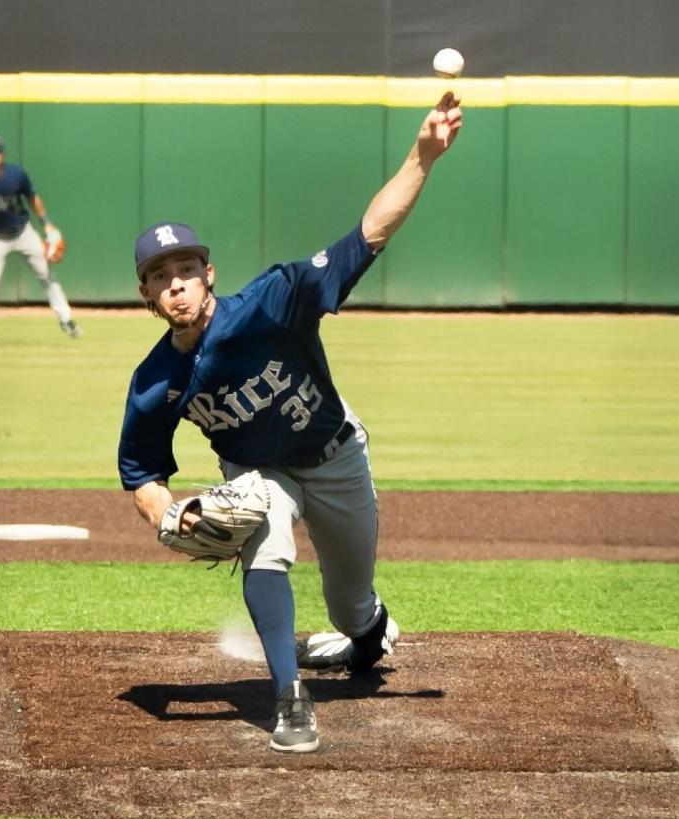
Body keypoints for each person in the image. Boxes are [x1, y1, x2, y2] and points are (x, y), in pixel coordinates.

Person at [116, 91, 464, 753]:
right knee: (263, 537)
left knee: (350, 606)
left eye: (186, 270)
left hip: (335, 456)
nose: (176, 285)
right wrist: (170, 517)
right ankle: (289, 698)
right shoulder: (154, 382)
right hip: (259, 472)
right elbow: (140, 472)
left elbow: (368, 235)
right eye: (160, 277)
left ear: (208, 274)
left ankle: (366, 634)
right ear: (147, 295)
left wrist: (423, 157)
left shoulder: (274, 301)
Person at [0, 134, 80, 346]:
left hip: (24, 233)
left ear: (2, 152)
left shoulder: (16, 174)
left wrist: (46, 223)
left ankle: (67, 320)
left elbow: (33, 198)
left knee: (47, 276)